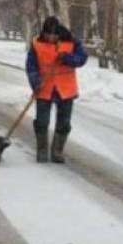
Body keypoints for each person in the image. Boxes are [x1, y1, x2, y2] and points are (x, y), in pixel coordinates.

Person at [26, 16, 88, 163]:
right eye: (48, 34)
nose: (51, 37)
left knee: (64, 123)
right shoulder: (36, 44)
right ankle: (42, 151)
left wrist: (67, 58)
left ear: (59, 33)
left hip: (65, 90)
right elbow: (31, 66)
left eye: (54, 34)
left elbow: (82, 58)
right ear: (44, 33)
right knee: (42, 122)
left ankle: (57, 152)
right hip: (44, 88)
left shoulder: (72, 42)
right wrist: (35, 81)